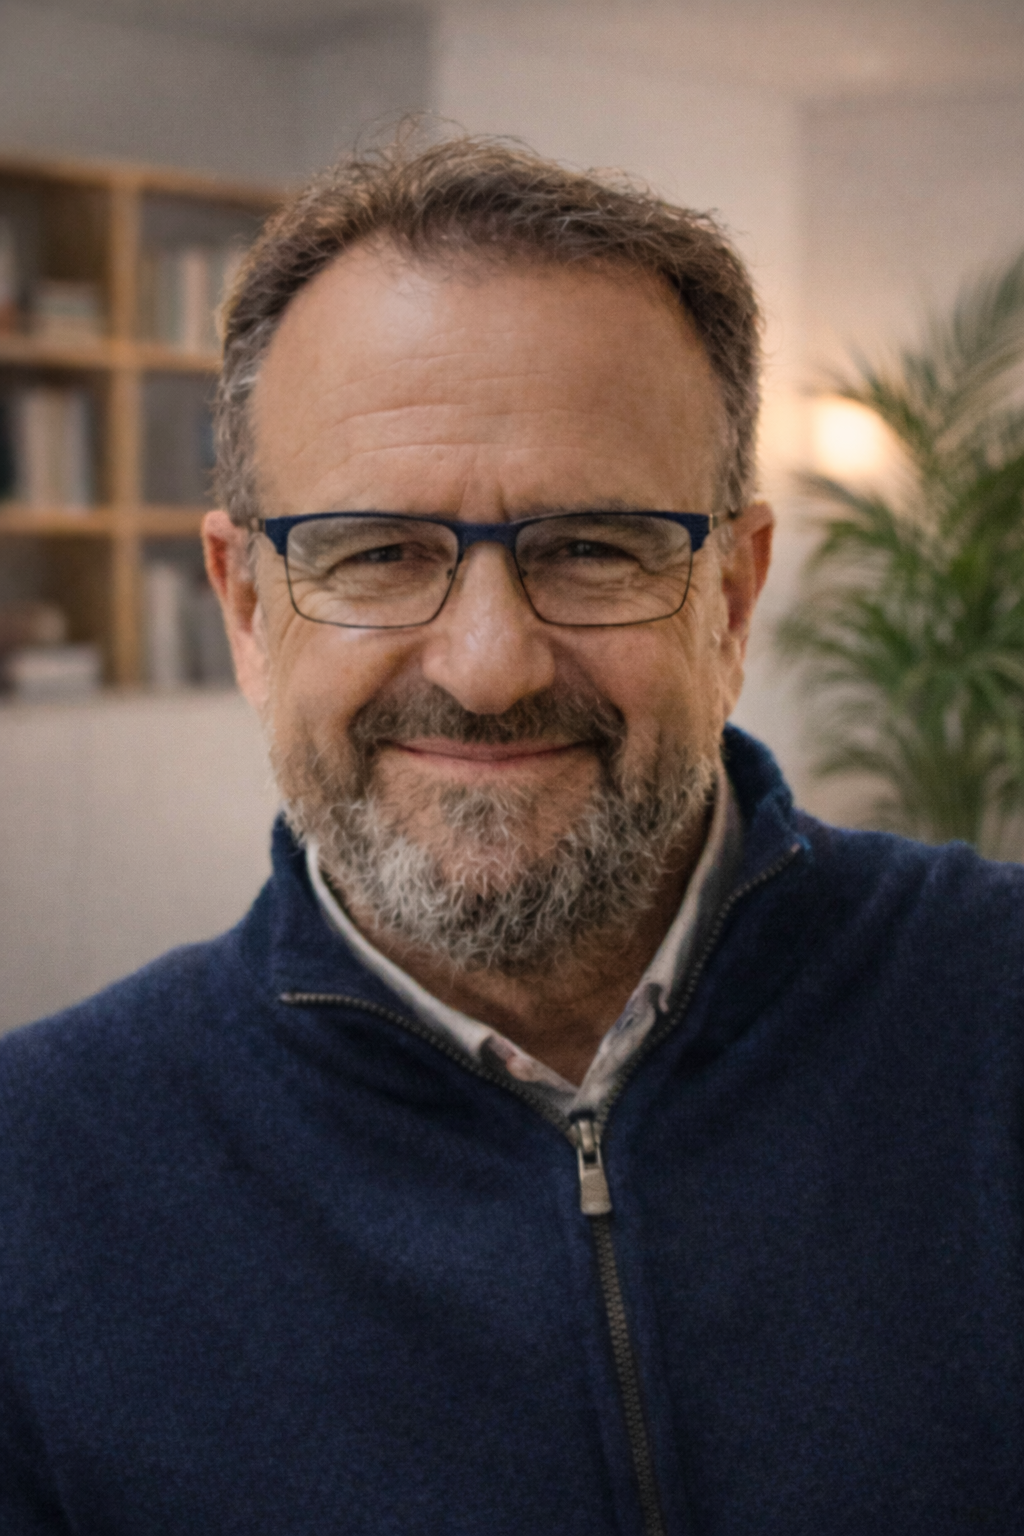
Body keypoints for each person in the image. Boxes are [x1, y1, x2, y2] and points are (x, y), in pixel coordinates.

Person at [1, 137, 1021, 1536]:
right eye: (377, 552)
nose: (487, 669)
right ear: (246, 608)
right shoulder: (35, 1181)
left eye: (593, 546)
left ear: (730, 599)